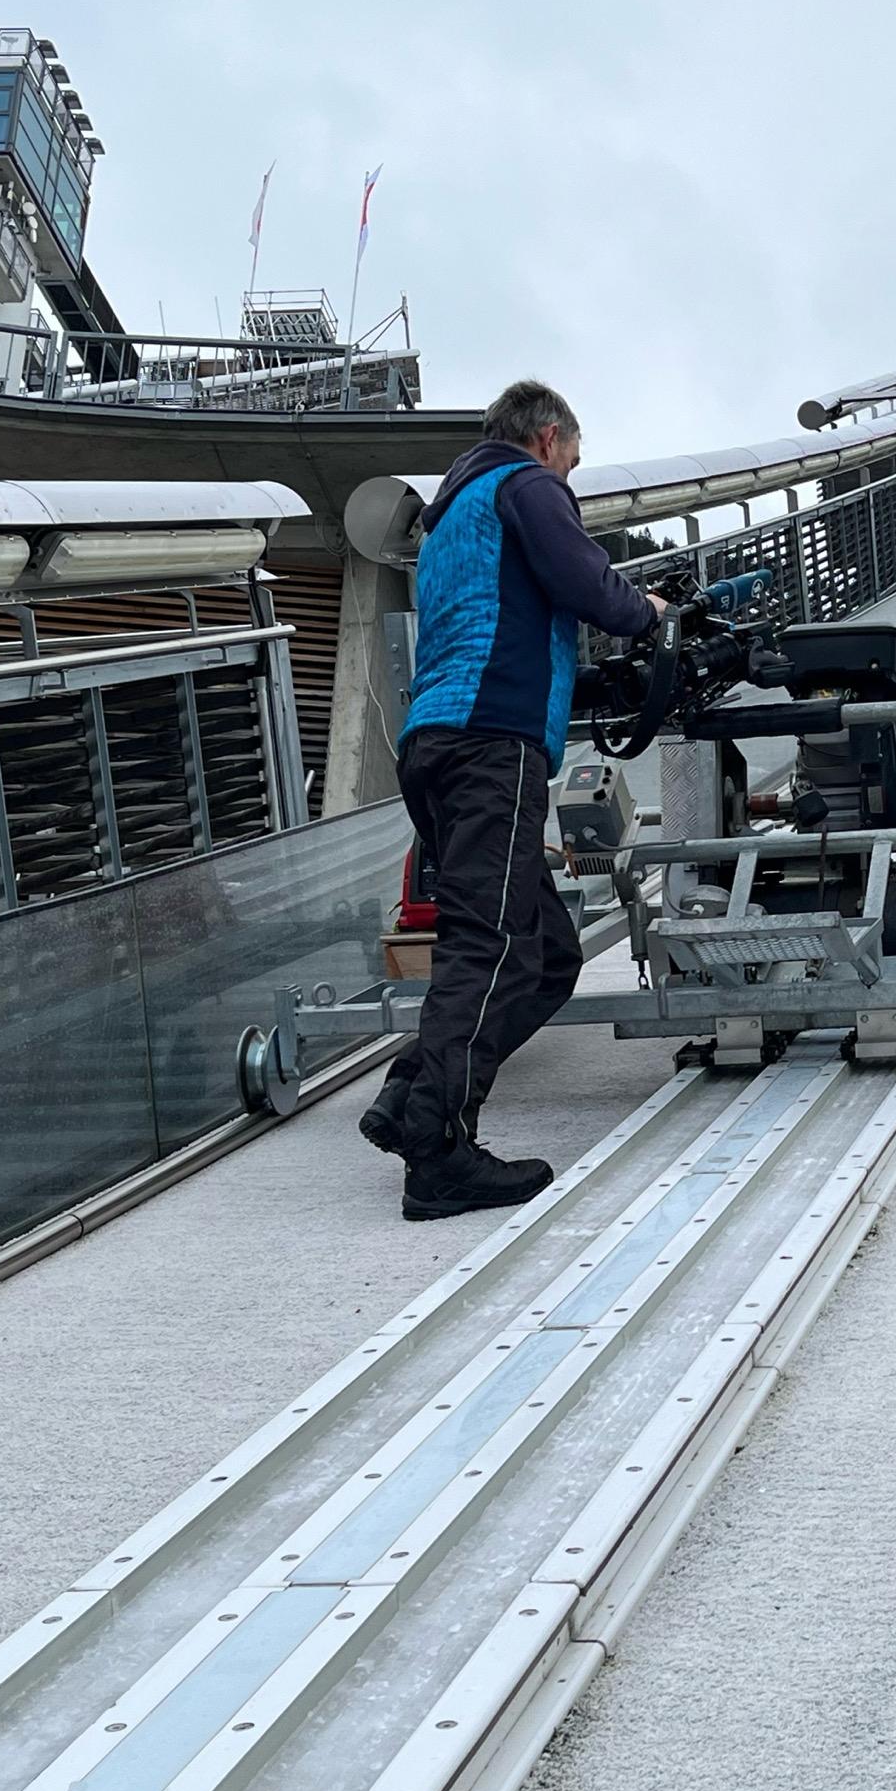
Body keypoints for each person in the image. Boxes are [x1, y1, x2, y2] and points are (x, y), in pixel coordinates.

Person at [362, 379, 662, 1219]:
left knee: (545, 955)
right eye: (573, 458)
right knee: (488, 945)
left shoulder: (452, 513)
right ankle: (439, 1154)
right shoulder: (526, 484)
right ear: (549, 435)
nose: (571, 475)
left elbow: (506, 613)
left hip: (437, 742)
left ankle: (409, 1095)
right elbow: (589, 586)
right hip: (491, 745)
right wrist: (648, 612)